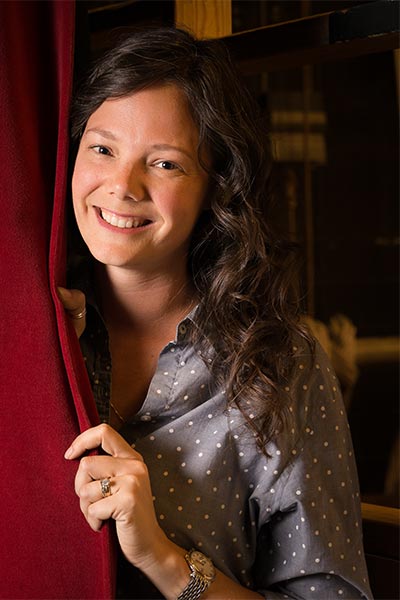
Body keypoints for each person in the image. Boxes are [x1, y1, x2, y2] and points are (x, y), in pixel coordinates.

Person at [58, 26, 372, 600]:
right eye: (102, 148)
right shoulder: (29, 326)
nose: (122, 186)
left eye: (166, 164)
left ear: (216, 187)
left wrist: (165, 559)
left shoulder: (281, 364)